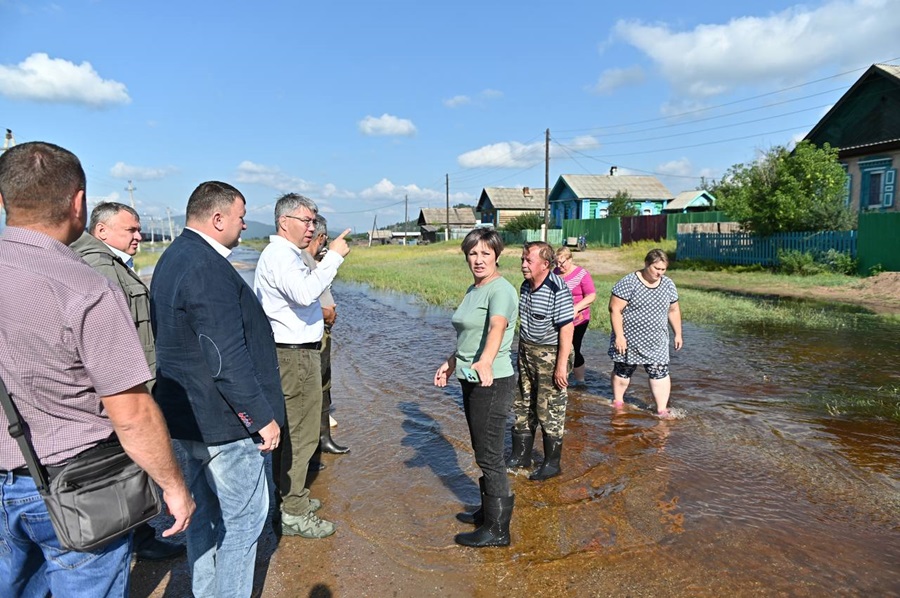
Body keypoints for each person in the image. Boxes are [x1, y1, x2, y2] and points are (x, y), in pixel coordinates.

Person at [0, 142, 194, 598]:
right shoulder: (85, 286)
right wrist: (174, 487)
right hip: (79, 487)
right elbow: (131, 413)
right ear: (78, 202)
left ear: (3, 201)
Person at [150, 181, 284, 598]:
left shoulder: (175, 256)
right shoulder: (206, 267)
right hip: (222, 422)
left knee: (205, 516)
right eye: (241, 217)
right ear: (218, 218)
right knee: (244, 523)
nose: (245, 225)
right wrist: (260, 417)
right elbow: (223, 356)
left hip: (187, 418)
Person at [70, 202, 185, 561]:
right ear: (102, 231)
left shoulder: (107, 261)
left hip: (127, 383)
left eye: (139, 230)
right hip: (122, 389)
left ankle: (136, 535)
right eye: (131, 230)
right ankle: (136, 538)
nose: (139, 236)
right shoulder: (99, 265)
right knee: (128, 463)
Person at [253, 194, 351, 539]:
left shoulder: (287, 254)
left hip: (297, 352)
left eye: (314, 222)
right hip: (292, 356)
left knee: (297, 432)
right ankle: (292, 511)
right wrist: (334, 258)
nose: (312, 228)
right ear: (284, 222)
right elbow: (305, 293)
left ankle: (290, 500)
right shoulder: (280, 255)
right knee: (300, 434)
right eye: (306, 221)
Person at [434, 228, 518, 547]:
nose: (478, 259)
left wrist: (485, 360)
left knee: (490, 454)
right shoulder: (474, 289)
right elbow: (470, 337)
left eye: (485, 253)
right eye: (473, 253)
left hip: (491, 379)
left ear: (497, 255)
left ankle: (498, 530)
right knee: (482, 449)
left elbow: (497, 327)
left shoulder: (501, 290)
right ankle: (487, 513)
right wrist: (451, 362)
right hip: (471, 378)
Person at [507, 241, 574, 481]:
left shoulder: (558, 289)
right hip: (526, 352)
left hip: (551, 353)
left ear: (545, 264)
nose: (523, 265)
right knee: (523, 402)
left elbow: (567, 329)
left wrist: (560, 366)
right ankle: (521, 455)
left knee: (550, 408)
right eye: (522, 260)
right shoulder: (525, 286)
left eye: (528, 261)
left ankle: (552, 463)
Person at [608, 248, 683, 418]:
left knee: (660, 373)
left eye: (663, 270)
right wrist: (619, 336)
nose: (659, 273)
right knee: (623, 371)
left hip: (657, 341)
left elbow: (673, 310)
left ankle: (661, 409)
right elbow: (615, 309)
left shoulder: (668, 284)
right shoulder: (629, 282)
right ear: (646, 264)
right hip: (629, 339)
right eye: (656, 269)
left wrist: (678, 333)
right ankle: (618, 401)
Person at [301, 215, 350, 456]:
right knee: (313, 388)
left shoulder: (312, 260)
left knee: (324, 385)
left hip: (323, 331)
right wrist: (325, 314)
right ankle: (312, 447)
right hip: (313, 334)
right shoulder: (300, 259)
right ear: (319, 237)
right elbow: (301, 300)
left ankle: (323, 439)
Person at [554, 246, 596, 387]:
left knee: (573, 348)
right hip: (559, 318)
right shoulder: (554, 273)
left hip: (578, 319)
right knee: (557, 347)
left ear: (570, 259)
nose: (559, 266)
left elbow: (591, 295)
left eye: (562, 263)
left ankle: (580, 382)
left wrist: (576, 308)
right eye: (556, 263)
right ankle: (560, 377)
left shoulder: (582, 274)